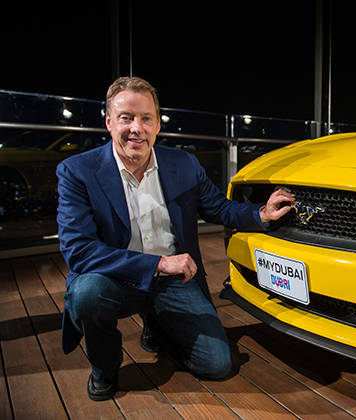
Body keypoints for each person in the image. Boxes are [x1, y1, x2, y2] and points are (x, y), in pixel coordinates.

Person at [56, 76, 295, 401]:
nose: (136, 128)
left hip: (174, 282)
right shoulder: (76, 171)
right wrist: (160, 263)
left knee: (218, 364)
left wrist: (260, 214)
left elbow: (217, 208)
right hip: (116, 278)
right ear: (109, 121)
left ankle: (157, 322)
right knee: (86, 294)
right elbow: (80, 251)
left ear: (157, 124)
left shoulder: (183, 163)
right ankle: (105, 368)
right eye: (126, 118)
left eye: (146, 119)